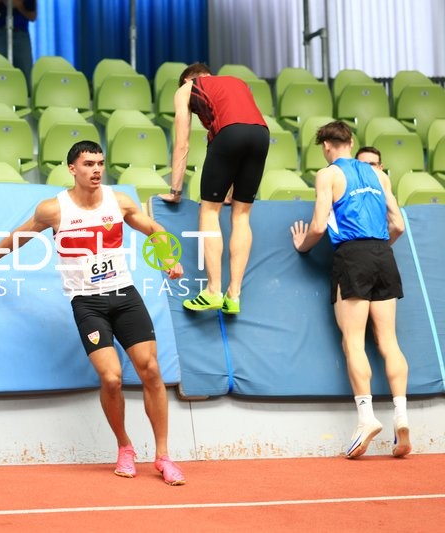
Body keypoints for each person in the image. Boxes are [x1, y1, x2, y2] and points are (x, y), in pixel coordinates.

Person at [0, 140, 187, 485]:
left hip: (124, 295)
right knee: (111, 378)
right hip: (87, 302)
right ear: (72, 169)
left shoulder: (118, 201)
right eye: (88, 164)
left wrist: (169, 258)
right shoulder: (54, 209)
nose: (96, 170)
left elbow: (154, 229)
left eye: (100, 163)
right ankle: (125, 446)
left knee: (151, 370)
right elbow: (21, 236)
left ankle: (163, 456)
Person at [290, 120, 411, 459]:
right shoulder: (378, 175)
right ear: (351, 142)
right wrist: (377, 250)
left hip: (352, 255)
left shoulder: (328, 174)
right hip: (383, 254)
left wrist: (302, 246)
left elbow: (318, 226)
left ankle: (366, 418)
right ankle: (401, 415)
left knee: (353, 341)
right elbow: (398, 225)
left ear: (326, 146)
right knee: (389, 342)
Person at [160, 62, 269, 315]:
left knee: (209, 211)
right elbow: (243, 125)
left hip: (229, 134)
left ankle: (212, 290)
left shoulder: (188, 88)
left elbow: (182, 143)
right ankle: (234, 295)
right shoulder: (237, 82)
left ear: (188, 80)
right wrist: (229, 190)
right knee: (242, 216)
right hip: (262, 135)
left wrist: (176, 191)